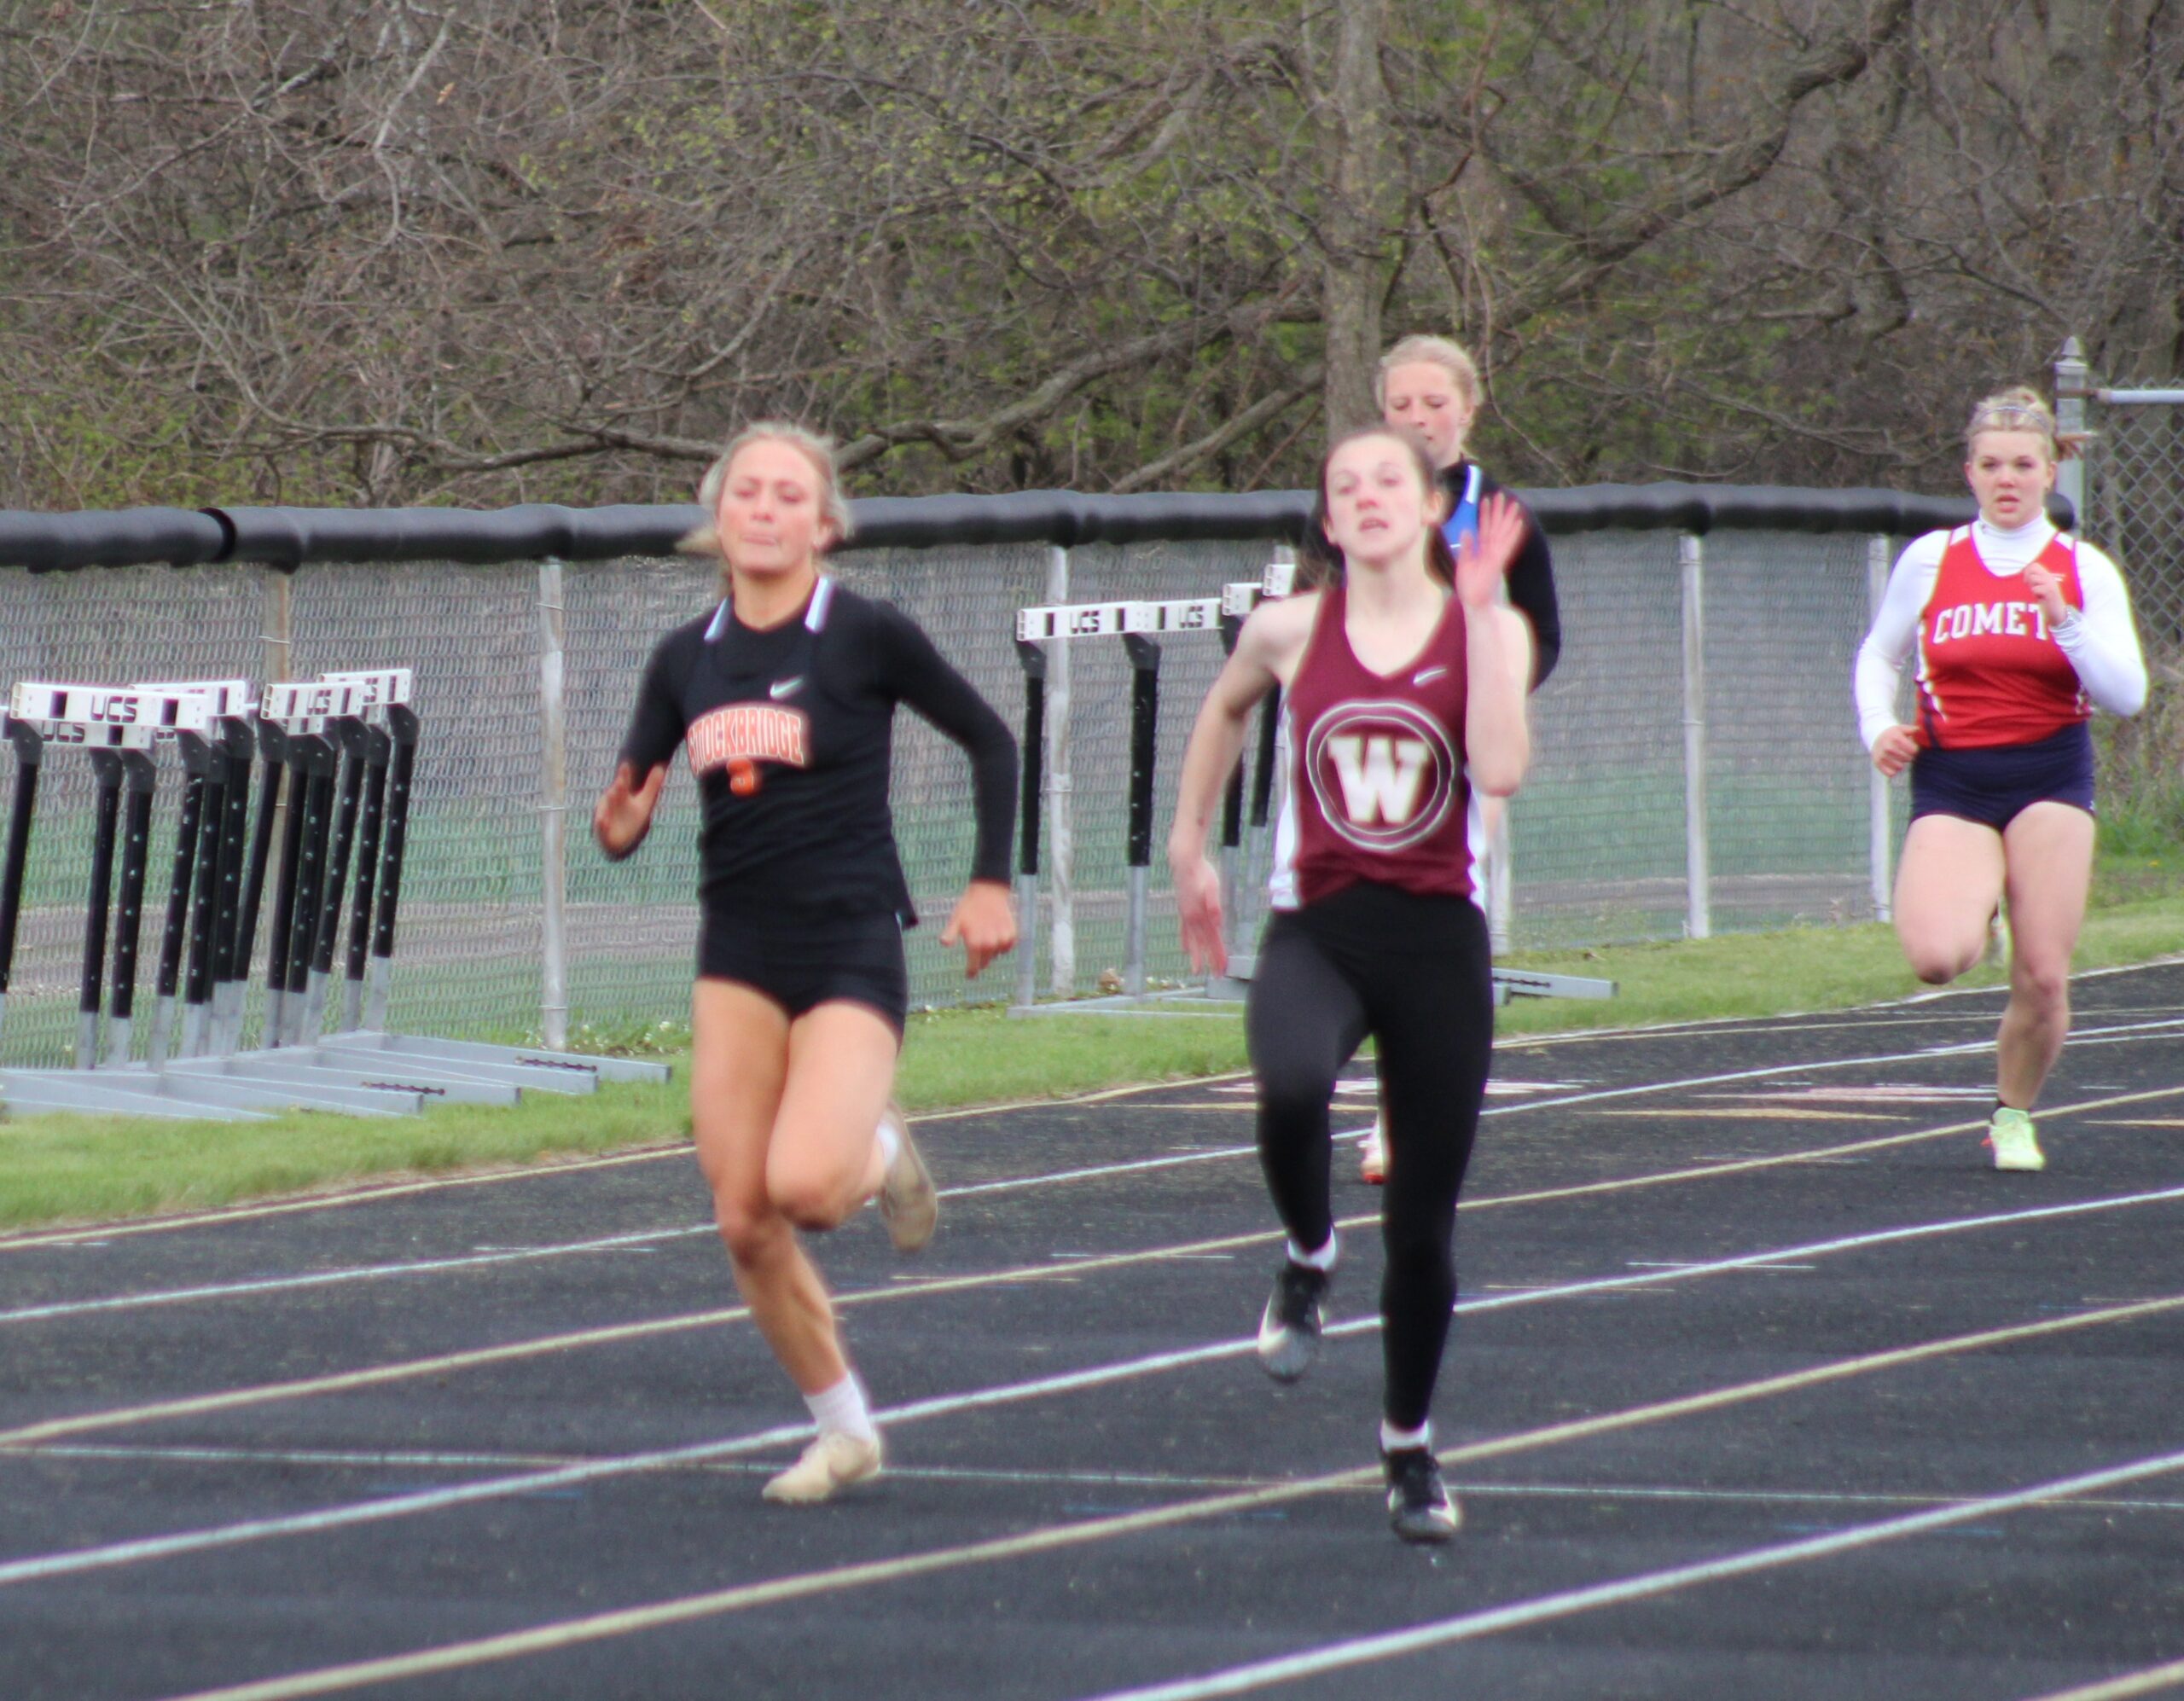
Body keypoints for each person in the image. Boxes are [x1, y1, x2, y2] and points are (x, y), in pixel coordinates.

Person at [595, 422, 1018, 1504]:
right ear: (718, 516)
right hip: (737, 951)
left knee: (809, 1191)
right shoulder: (683, 657)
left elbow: (990, 739)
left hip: (847, 941)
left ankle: (878, 1141)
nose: (766, 509)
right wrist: (620, 822)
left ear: (825, 524)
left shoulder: (864, 634)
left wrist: (988, 882)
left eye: (790, 494)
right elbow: (626, 808)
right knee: (745, 1217)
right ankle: (844, 1430)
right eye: (748, 491)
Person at [1168, 426, 1534, 1543]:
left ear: (1429, 508)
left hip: (1437, 943)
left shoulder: (1489, 626)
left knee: (1422, 1230)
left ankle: (1407, 1444)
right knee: (1287, 1084)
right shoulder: (1287, 628)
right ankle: (1309, 1251)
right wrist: (1189, 841)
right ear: (1327, 522)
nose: (1368, 497)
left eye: (1389, 481)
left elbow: (1502, 765)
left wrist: (1480, 613)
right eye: (1346, 486)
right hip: (1318, 928)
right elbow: (1224, 707)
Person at [1854, 386, 2146, 1172]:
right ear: (1970, 473)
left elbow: (2127, 696)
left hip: (2050, 776)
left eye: (2022, 464)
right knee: (1935, 960)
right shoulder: (1933, 559)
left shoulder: (2082, 569)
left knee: (2043, 976)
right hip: (1955, 779)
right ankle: (1977, 906)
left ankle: (2012, 1114)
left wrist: (2063, 620)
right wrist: (1879, 726)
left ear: (2050, 471)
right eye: (1991, 465)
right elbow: (1879, 653)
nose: (2006, 479)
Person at [1355, 333, 1562, 1183]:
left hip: (1468, 747)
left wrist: (1493, 693)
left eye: (1434, 403)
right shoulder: (1356, 500)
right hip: (1370, 743)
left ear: (1468, 410)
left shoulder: (1501, 511)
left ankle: (1399, 1113)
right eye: (1400, 404)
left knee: (1439, 913)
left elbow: (1543, 633)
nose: (1417, 418)